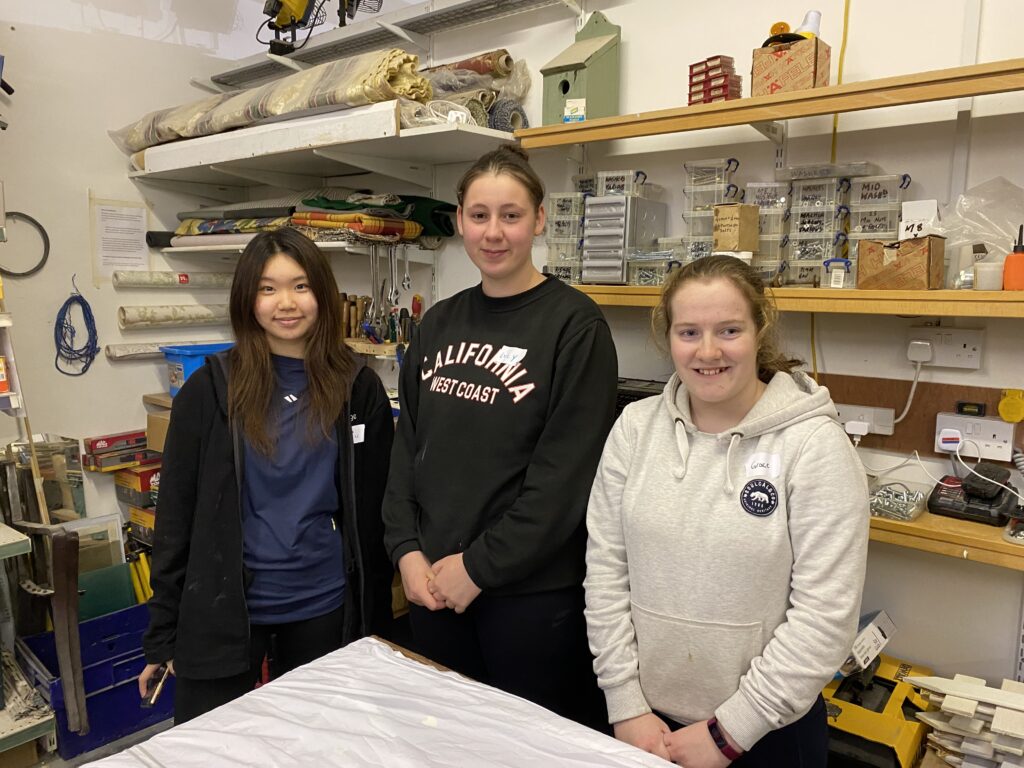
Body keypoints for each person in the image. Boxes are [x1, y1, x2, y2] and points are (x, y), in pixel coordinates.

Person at [585, 255, 869, 766]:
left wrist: (730, 732)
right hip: (644, 724)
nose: (708, 351)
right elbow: (606, 572)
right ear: (668, 337)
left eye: (729, 330)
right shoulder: (634, 429)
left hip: (766, 733)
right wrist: (624, 702)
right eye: (689, 332)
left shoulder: (814, 446)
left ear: (760, 331)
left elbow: (824, 618)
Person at [382, 144, 618, 731]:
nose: (493, 232)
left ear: (538, 220)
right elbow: (406, 450)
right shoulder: (438, 322)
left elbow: (563, 483)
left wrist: (478, 569)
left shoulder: (575, 326)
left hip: (528, 601)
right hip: (433, 586)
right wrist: (406, 552)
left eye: (510, 216)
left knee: (526, 748)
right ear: (460, 220)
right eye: (479, 215)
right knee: (447, 740)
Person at [139, 228, 395, 724]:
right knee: (215, 747)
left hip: (324, 607)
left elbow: (375, 516)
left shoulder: (357, 390)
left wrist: (375, 623)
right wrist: (163, 633)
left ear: (322, 294)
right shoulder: (209, 391)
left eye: (300, 286)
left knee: (322, 744)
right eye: (268, 288)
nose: (287, 303)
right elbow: (175, 519)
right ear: (247, 299)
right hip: (223, 611)